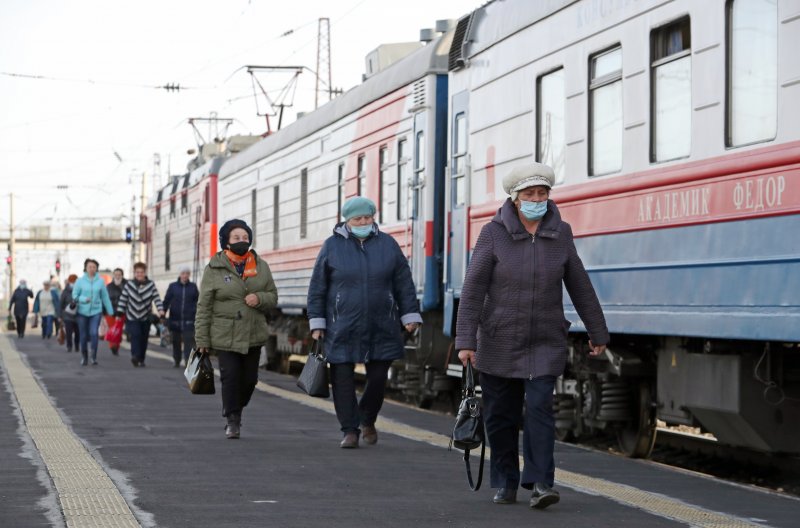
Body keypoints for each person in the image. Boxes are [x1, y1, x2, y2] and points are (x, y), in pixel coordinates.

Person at [455, 163, 609, 509]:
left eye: (542, 193)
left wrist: (597, 331)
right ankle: (506, 480)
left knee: (540, 409)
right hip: (499, 339)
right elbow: (473, 288)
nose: (537, 199)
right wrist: (466, 341)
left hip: (544, 340)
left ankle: (541, 482)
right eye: (529, 194)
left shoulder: (561, 233)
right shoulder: (493, 234)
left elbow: (579, 284)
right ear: (515, 199)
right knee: (500, 415)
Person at [307, 197, 422, 449]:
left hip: (382, 323)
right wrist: (317, 323)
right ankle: (349, 429)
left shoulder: (388, 244)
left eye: (367, 218)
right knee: (342, 377)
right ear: (347, 221)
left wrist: (410, 314)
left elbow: (403, 282)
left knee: (379, 377)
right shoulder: (331, 247)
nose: (363, 223)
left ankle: (367, 417)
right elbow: (317, 288)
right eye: (358, 219)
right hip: (342, 324)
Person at [195, 219, 277, 439]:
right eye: (236, 238)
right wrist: (202, 339)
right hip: (224, 334)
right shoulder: (214, 268)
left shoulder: (261, 266)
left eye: (245, 237)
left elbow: (273, 297)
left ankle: (234, 406)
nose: (242, 241)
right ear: (226, 242)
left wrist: (259, 298)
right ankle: (233, 420)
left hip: (253, 333)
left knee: (250, 379)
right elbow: (204, 305)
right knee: (230, 377)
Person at [116, 262, 164, 367]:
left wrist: (161, 310)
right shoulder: (129, 285)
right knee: (135, 336)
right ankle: (135, 356)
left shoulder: (150, 285)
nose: (139, 274)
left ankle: (141, 358)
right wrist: (119, 312)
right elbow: (123, 298)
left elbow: (156, 298)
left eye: (141, 272)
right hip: (132, 316)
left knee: (143, 338)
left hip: (146, 316)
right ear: (134, 273)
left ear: (145, 273)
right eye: (137, 272)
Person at [72, 259, 114, 366]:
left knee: (94, 333)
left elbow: (105, 297)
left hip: (96, 311)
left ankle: (93, 356)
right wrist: (83, 299)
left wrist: (110, 311)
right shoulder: (79, 281)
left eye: (94, 267)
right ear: (85, 268)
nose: (92, 269)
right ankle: (84, 356)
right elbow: (75, 296)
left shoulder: (100, 281)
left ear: (96, 269)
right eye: (90, 267)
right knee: (83, 335)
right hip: (82, 311)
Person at [163, 266, 199, 367]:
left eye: (187, 273)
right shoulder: (173, 286)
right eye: (183, 273)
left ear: (189, 275)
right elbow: (167, 300)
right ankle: (177, 359)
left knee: (189, 341)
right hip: (175, 319)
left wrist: (197, 313)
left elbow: (198, 301)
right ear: (180, 275)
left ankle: (188, 360)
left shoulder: (193, 287)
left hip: (189, 319)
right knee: (176, 341)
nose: (185, 276)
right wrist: (163, 312)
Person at [105, 268, 127, 355]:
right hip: (110, 311)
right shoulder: (108, 286)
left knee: (118, 330)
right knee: (111, 329)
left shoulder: (126, 285)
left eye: (119, 275)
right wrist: (103, 310)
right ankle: (112, 346)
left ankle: (116, 346)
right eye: (116, 274)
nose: (117, 276)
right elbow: (105, 299)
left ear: (122, 275)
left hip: (121, 312)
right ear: (113, 276)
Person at [59, 274, 80, 352]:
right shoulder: (65, 291)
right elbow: (61, 303)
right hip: (67, 315)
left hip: (78, 314)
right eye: (72, 281)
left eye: (75, 281)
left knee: (78, 332)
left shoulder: (80, 290)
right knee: (69, 331)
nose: (74, 283)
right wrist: (60, 315)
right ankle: (69, 346)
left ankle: (77, 345)